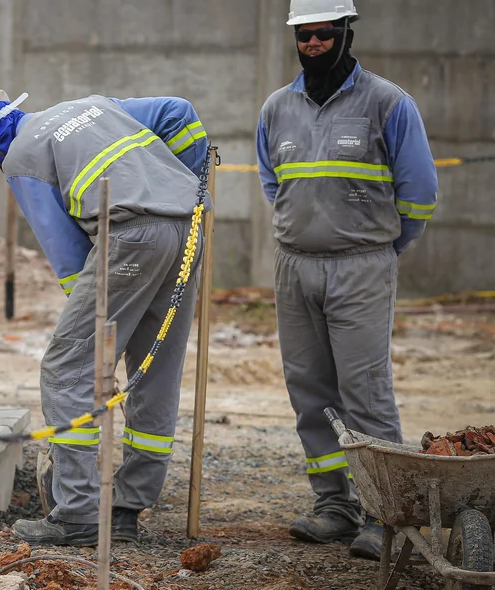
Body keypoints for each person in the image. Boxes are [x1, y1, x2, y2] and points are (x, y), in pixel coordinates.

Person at [0, 90, 211, 545]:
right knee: (156, 368)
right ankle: (126, 509)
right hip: (188, 229)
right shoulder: (94, 106)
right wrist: (191, 183)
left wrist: (93, 340)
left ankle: (79, 513)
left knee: (67, 368)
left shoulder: (20, 162)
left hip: (129, 237)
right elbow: (179, 112)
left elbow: (70, 261)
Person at [256, 0, 438, 560]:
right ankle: (333, 505)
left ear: (344, 32)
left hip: (361, 265)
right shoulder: (277, 108)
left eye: (323, 34)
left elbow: (419, 195)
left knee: (366, 393)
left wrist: (378, 247)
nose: (313, 44)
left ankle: (386, 516)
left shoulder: (388, 103)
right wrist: (305, 233)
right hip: (295, 267)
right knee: (310, 393)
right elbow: (273, 183)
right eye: (304, 36)